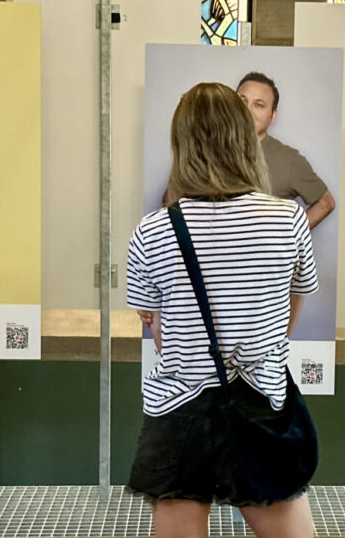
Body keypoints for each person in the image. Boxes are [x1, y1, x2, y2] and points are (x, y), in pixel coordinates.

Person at [127, 83, 319, 538]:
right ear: (244, 138)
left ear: (182, 142)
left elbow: (154, 326)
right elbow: (294, 303)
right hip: (260, 400)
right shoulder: (287, 218)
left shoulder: (152, 231)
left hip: (180, 405)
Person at [236, 72, 336, 229]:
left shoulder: (290, 161)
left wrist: (290, 235)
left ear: (273, 116)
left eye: (259, 105)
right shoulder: (208, 152)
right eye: (241, 101)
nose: (247, 111)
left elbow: (326, 203)